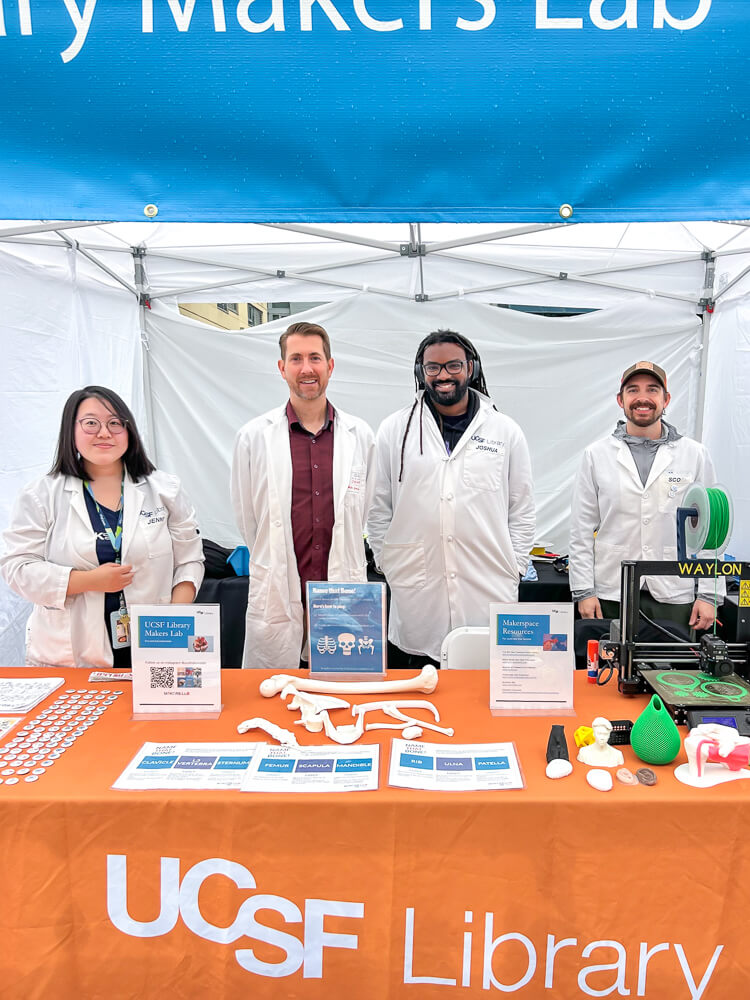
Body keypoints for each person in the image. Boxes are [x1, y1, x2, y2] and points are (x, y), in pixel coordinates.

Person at [1, 386, 204, 669]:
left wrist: (173, 621)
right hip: (70, 653)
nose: (105, 433)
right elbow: (17, 567)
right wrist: (88, 581)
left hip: (154, 642)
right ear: (70, 430)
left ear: (129, 431)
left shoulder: (165, 489)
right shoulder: (41, 495)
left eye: (115, 423)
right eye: (91, 423)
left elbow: (189, 560)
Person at [368, 329, 536, 663]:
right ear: (421, 372)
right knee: (421, 682)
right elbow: (377, 507)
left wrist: (515, 567)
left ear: (471, 368)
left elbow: (522, 509)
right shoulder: (395, 430)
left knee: (481, 682)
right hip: (417, 593)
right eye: (433, 367)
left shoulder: (504, 430)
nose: (443, 375)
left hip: (488, 587)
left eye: (453, 365)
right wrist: (388, 563)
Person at [231, 321, 375, 670]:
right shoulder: (254, 437)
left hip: (340, 584)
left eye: (315, 358)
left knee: (343, 689)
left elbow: (364, 508)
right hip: (279, 587)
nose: (306, 368)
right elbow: (248, 519)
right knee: (274, 691)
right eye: (296, 359)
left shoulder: (360, 435)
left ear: (330, 365)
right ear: (282, 368)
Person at [569, 361, 723, 630]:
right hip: (612, 591)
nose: (643, 398)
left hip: (674, 592)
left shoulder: (695, 455)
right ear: (621, 400)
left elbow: (710, 532)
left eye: (652, 390)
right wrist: (584, 591)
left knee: (672, 659)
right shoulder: (596, 455)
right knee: (610, 656)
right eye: (633, 390)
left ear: (666, 399)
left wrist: (709, 594)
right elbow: (581, 530)